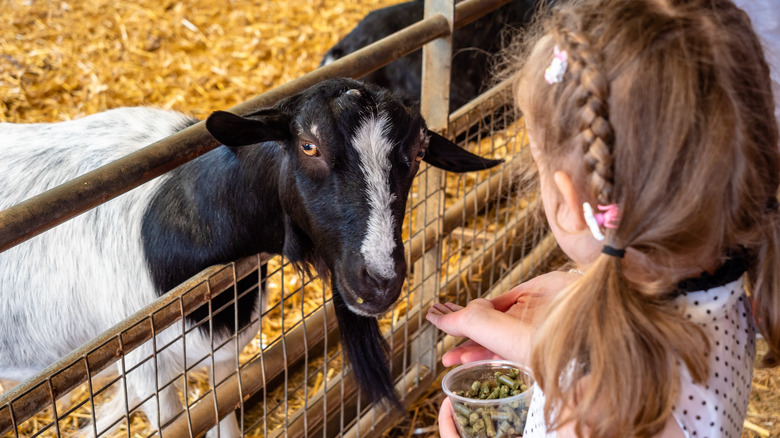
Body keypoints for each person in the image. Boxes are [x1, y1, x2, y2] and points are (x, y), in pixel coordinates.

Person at [426, 0, 780, 436]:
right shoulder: (724, 293)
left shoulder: (591, 412)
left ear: (573, 202)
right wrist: (568, 310)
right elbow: (631, 339)